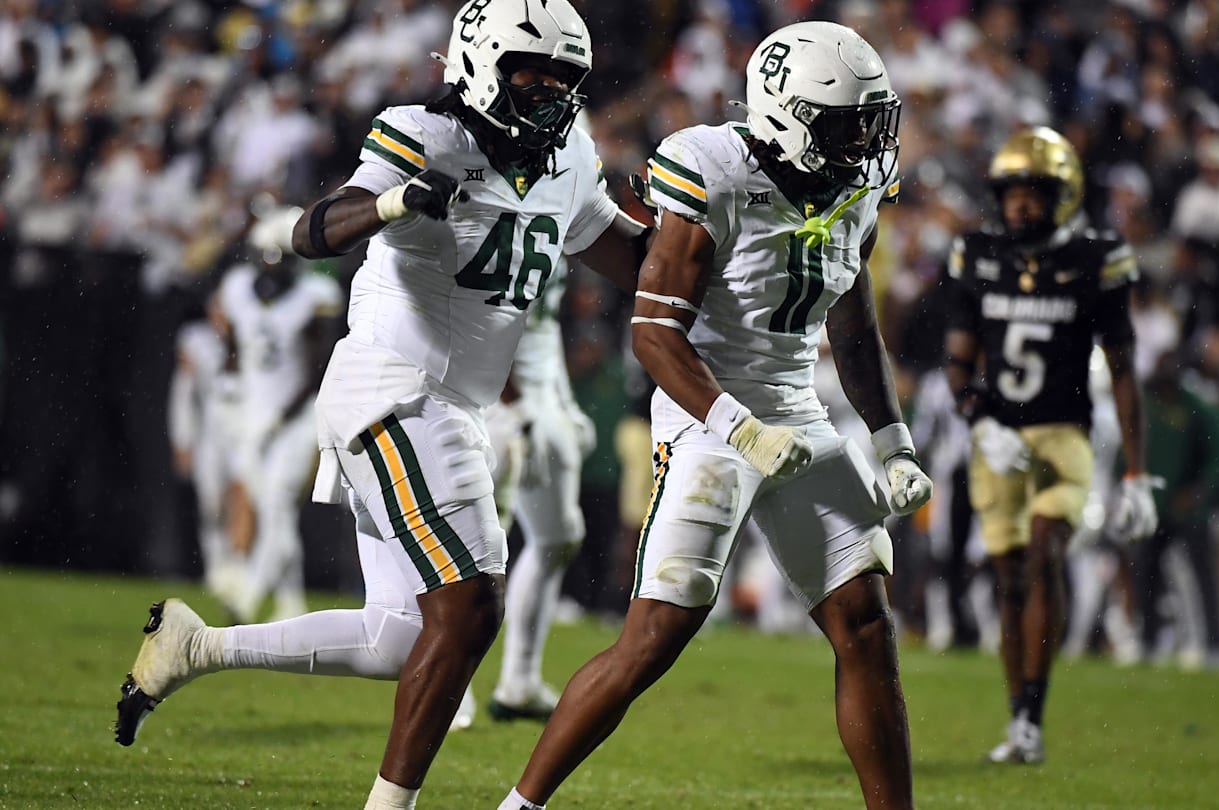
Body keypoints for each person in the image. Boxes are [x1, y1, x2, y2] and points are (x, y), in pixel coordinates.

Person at [114, 3, 649, 809]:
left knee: (400, 637)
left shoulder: (568, 153)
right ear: (480, 64)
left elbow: (629, 256)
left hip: (451, 406)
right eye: (530, 71)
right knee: (469, 606)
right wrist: (394, 204)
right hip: (395, 389)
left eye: (563, 77)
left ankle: (196, 647)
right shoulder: (423, 133)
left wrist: (702, 234)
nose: (548, 91)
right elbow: (314, 230)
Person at [496, 21, 932, 810]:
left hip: (796, 411)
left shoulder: (857, 186)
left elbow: (853, 326)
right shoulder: (715, 169)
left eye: (872, 121)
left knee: (867, 626)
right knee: (654, 638)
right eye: (846, 124)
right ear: (789, 118)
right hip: (706, 412)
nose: (866, 141)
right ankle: (519, 806)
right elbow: (654, 333)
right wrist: (739, 429)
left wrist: (893, 442)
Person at [943, 126, 1155, 765]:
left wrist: (1137, 474)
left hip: (1064, 433)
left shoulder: (1096, 259)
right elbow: (958, 363)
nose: (1019, 205)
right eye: (1011, 193)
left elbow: (1123, 369)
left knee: (1044, 552)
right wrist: (980, 422)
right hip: (997, 439)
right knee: (1008, 578)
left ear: (1063, 195)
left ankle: (1034, 713)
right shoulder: (978, 255)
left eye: (1033, 192)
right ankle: (1018, 719)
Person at [450, 257, 598, 729]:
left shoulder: (555, 227)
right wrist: (513, 404)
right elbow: (485, 317)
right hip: (494, 404)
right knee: (473, 553)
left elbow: (542, 331)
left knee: (558, 538)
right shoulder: (502, 225)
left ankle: (519, 681)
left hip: (537, 403)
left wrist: (562, 403)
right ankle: (449, 686)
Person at [215, 204, 344, 622]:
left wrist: (282, 415)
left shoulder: (316, 295)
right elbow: (235, 345)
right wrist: (231, 393)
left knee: (277, 504)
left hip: (299, 417)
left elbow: (319, 366)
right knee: (276, 515)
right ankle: (291, 602)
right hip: (254, 414)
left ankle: (248, 598)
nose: (272, 268)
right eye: (266, 258)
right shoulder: (237, 287)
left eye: (281, 259)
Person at [167, 303, 247, 607]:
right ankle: (215, 569)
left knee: (242, 502)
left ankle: (238, 570)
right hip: (212, 433)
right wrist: (183, 439)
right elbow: (183, 392)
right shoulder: (195, 339)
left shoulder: (252, 334)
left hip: (246, 432)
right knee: (211, 503)